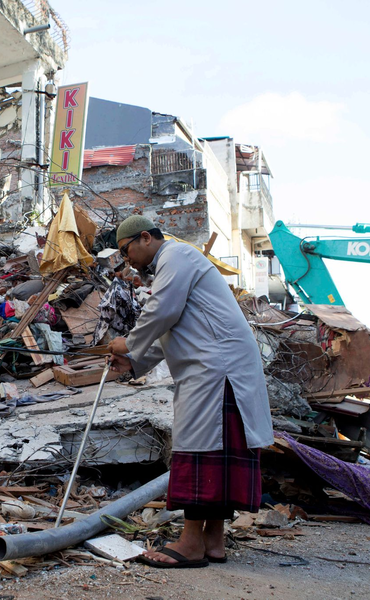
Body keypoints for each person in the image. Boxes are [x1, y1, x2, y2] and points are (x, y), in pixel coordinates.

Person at [107, 215, 273, 569]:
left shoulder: (176, 257)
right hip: (219, 365)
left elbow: (162, 311)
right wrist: (133, 362)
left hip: (217, 368)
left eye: (126, 250)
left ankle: (191, 543)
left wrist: (128, 343)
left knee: (203, 451)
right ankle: (213, 540)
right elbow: (171, 326)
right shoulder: (174, 266)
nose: (127, 260)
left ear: (146, 238)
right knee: (219, 449)